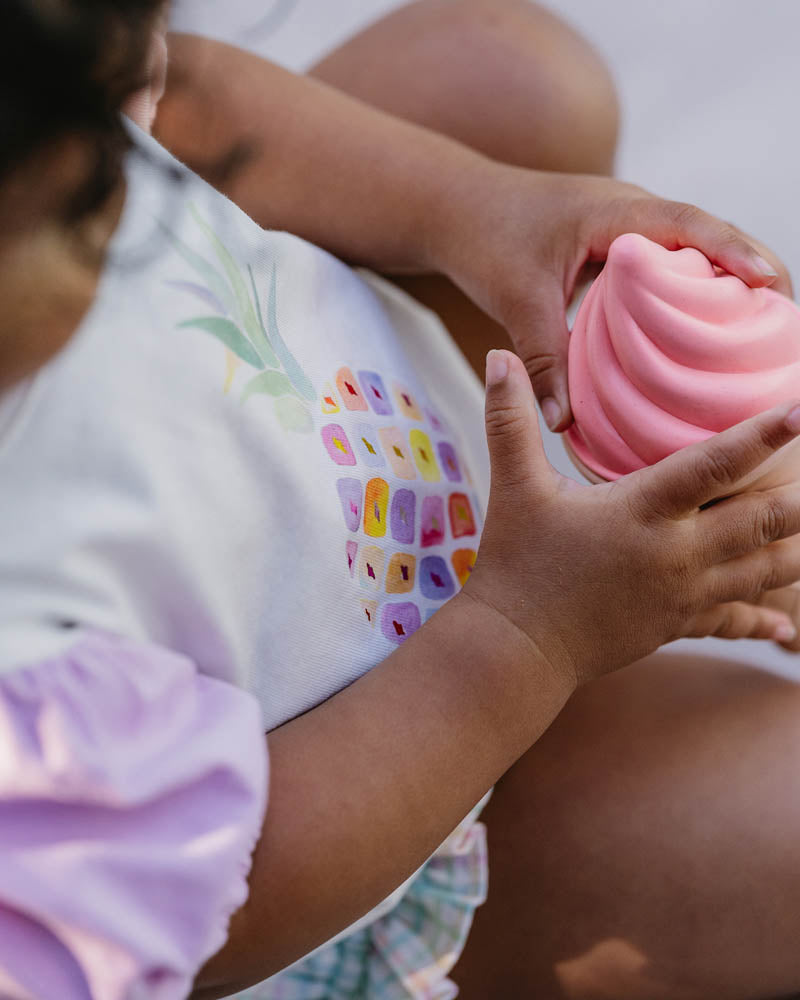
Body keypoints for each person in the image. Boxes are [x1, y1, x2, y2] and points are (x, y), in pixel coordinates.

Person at [1, 4, 800, 1000]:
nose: (125, 184)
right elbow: (228, 893)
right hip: (387, 799)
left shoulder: (44, 106)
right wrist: (529, 634)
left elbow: (184, 105)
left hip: (403, 462)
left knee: (504, 76)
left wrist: (479, 206)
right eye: (91, 195)